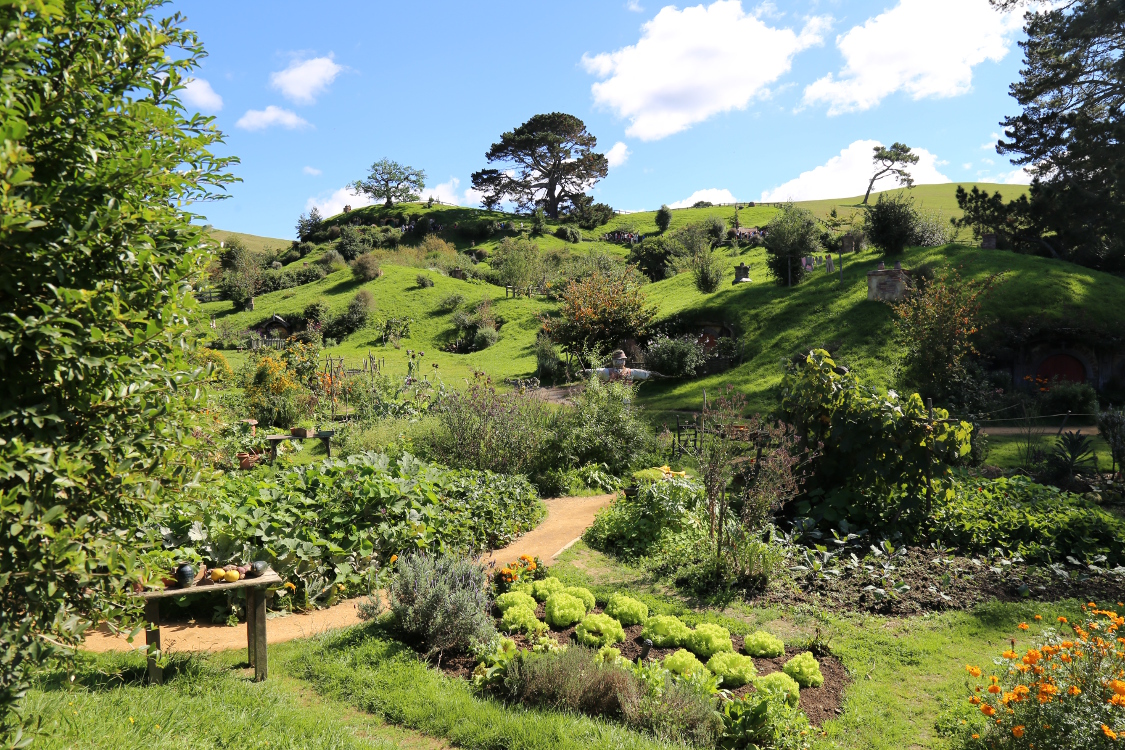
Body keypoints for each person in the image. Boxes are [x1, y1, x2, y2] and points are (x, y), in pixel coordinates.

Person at [581, 349, 662, 382]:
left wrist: (654, 374)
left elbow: (643, 373)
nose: (622, 361)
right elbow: (596, 371)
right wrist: (586, 371)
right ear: (614, 360)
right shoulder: (607, 372)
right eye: (620, 359)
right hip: (611, 400)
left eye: (623, 359)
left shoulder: (629, 372)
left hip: (626, 400)